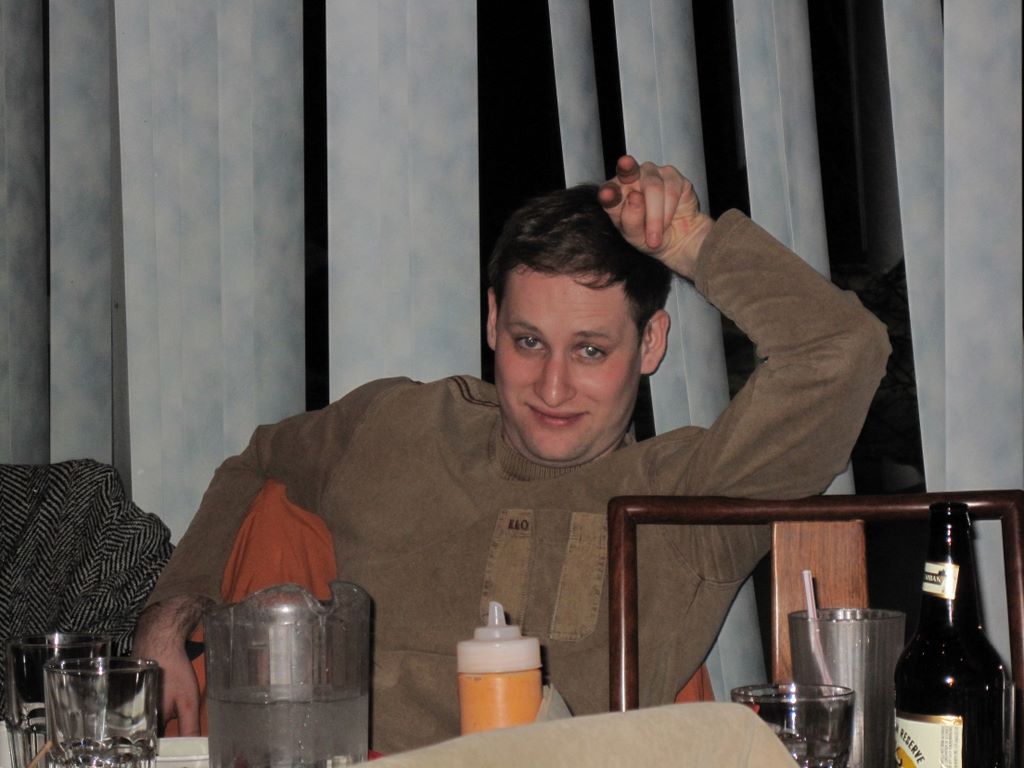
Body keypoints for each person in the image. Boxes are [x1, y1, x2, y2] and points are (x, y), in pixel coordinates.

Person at [134, 156, 890, 753]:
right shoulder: (398, 422)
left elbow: (842, 351)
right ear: (493, 320)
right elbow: (259, 463)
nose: (552, 387)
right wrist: (170, 614)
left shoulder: (687, 495)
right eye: (529, 342)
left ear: (650, 344)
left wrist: (691, 242)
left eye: (590, 350)